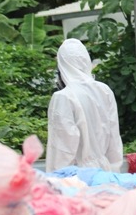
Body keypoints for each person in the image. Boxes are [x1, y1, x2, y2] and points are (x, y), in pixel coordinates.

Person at [46, 38, 124, 172]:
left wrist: (56, 180)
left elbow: (62, 149)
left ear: (62, 65)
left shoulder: (63, 97)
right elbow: (114, 141)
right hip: (104, 173)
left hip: (77, 176)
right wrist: (114, 173)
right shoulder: (104, 90)